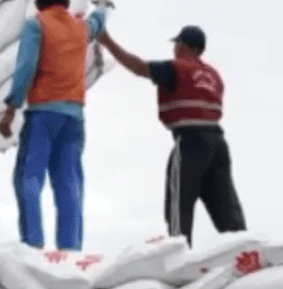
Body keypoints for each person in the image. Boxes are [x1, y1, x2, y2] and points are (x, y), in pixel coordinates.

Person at [96, 24, 247, 245]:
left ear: (184, 46)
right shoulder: (214, 75)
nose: (174, 48)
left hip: (191, 142)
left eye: (176, 43)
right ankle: (245, 250)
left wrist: (107, 41)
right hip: (218, 145)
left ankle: (180, 257)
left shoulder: (177, 68)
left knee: (179, 208)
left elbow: (139, 68)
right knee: (226, 207)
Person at [0, 0, 111, 251]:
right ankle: (70, 250)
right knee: (69, 183)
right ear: (68, 3)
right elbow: (97, 22)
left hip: (42, 115)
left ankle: (32, 243)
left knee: (29, 177)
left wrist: (11, 110)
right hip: (74, 118)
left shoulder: (36, 25)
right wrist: (104, 6)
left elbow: (25, 68)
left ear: (37, 3)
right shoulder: (80, 29)